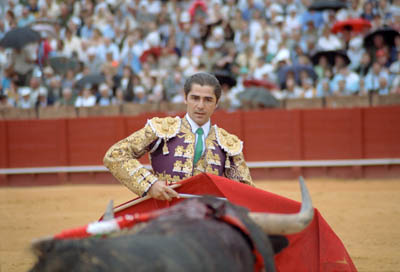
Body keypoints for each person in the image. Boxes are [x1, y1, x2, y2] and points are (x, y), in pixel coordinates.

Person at [104, 72, 254, 201]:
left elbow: (245, 191)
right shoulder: (162, 129)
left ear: (217, 103)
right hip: (166, 213)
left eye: (208, 100)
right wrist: (150, 184)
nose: (200, 106)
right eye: (195, 98)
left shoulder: (227, 142)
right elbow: (115, 155)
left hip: (208, 218)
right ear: (185, 98)